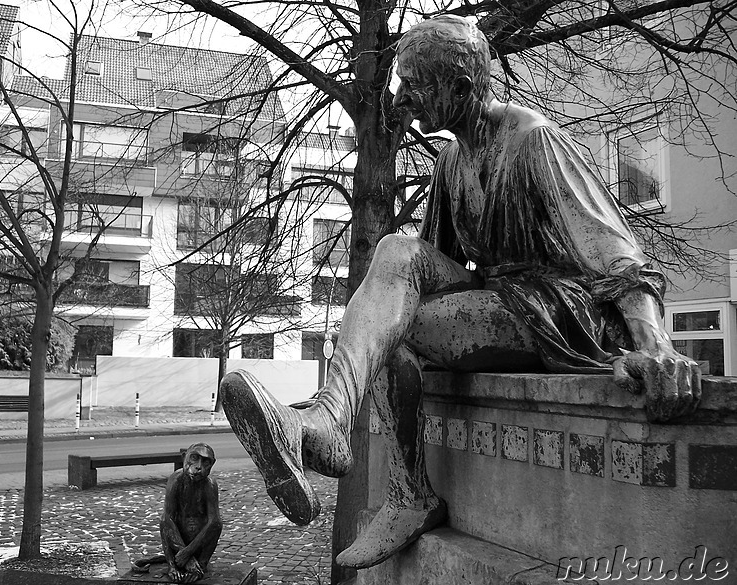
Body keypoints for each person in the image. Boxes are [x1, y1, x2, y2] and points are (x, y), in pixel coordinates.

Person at [221, 14, 701, 570]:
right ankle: (336, 430)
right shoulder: (451, 159)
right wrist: (376, 316)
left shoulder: (533, 140)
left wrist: (655, 343)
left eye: (414, 85)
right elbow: (419, 270)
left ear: (460, 88)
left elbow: (615, 251)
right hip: (493, 298)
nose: (403, 98)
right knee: (395, 256)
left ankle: (359, 455)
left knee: (391, 330)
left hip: (555, 309)